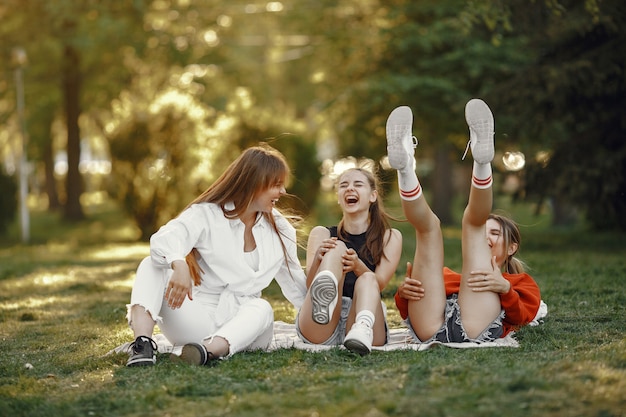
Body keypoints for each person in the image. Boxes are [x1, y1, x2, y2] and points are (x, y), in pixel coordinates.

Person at [125, 144, 307, 366]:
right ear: (254, 183)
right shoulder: (207, 214)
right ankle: (142, 346)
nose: (283, 192)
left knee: (262, 308)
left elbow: (295, 283)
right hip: (197, 320)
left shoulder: (281, 230)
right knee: (151, 264)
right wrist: (178, 263)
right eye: (276, 185)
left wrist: (324, 320)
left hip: (246, 329)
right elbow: (164, 239)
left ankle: (206, 352)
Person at [387, 99, 541, 344]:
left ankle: (482, 159)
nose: (486, 239)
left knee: (473, 224)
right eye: (487, 232)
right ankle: (405, 167)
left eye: (495, 233)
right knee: (428, 229)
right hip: (429, 326)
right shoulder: (446, 275)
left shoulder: (520, 283)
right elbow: (408, 306)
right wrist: (404, 294)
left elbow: (523, 316)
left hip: (475, 326)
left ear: (512, 247)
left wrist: (504, 289)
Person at [296, 166, 403, 355]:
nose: (349, 189)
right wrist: (318, 262)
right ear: (339, 197)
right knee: (336, 247)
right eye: (344, 185)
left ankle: (361, 328)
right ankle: (327, 297)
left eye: (358, 184)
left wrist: (357, 266)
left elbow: (379, 284)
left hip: (364, 314)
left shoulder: (390, 237)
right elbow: (309, 284)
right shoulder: (321, 234)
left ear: (372, 196)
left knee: (368, 279)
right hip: (321, 322)